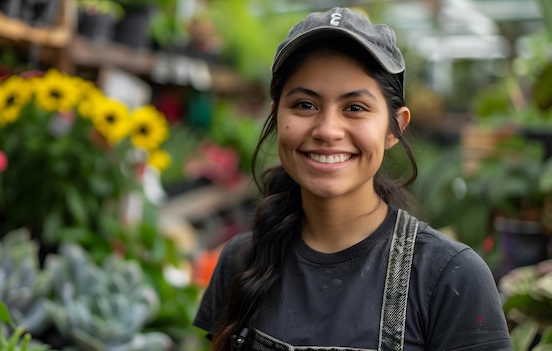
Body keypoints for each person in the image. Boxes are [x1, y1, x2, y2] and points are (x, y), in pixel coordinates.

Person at [193, 6, 513, 351]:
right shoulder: (242, 260)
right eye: (304, 104)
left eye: (355, 108)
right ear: (276, 116)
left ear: (395, 128)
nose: (328, 130)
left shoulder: (449, 276)